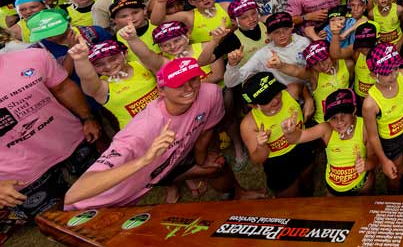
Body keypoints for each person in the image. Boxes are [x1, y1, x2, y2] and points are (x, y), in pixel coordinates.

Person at [64, 58, 260, 209]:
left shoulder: (210, 93)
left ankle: (238, 194)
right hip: (104, 199)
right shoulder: (142, 129)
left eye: (193, 79)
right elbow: (74, 194)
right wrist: (144, 160)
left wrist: (202, 157)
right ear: (161, 91)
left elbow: (207, 129)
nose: (189, 88)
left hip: (170, 165)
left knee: (218, 165)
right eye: (179, 84)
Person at [0, 47, 100, 218]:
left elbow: (63, 88)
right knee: (60, 221)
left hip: (73, 143)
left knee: (108, 195)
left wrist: (87, 118)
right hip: (22, 176)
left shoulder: (33, 56)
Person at [361, 43, 403, 193]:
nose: (393, 75)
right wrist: (384, 161)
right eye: (387, 72)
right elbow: (373, 137)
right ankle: (395, 196)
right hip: (391, 141)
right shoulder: (370, 104)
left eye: (395, 68)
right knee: (396, 172)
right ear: (373, 75)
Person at [281, 88, 376, 195]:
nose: (339, 121)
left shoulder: (364, 127)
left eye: (344, 114)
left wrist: (366, 164)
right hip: (333, 188)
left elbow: (374, 157)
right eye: (334, 117)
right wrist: (290, 132)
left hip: (361, 185)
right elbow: (297, 138)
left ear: (353, 110)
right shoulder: (326, 129)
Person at [239, 72, 315, 198]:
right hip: (278, 162)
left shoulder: (291, 92)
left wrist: (308, 100)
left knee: (308, 178)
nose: (275, 100)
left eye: (275, 92)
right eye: (267, 100)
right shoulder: (249, 125)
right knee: (290, 197)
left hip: (302, 144)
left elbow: (302, 87)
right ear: (253, 105)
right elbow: (258, 159)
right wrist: (261, 146)